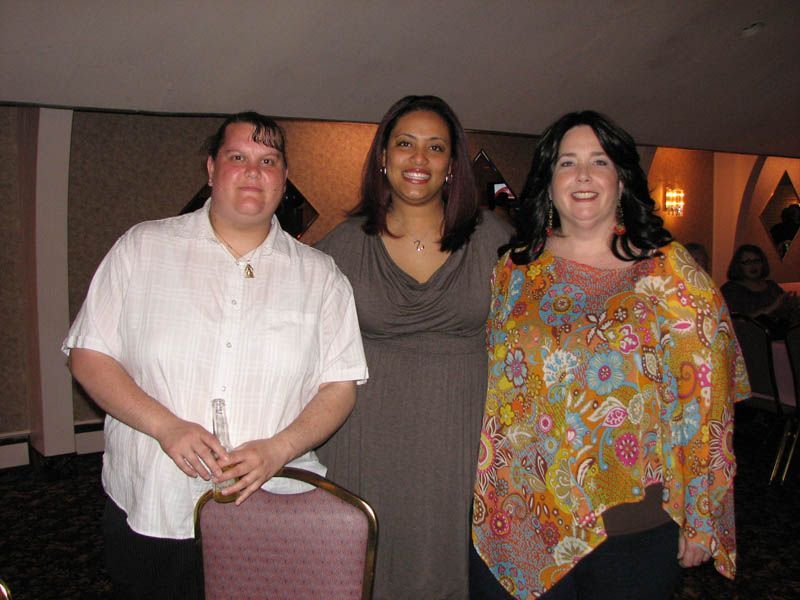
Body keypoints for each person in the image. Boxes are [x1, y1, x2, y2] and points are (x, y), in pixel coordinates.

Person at [63, 112, 368, 599]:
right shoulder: (143, 248)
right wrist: (165, 426)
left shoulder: (320, 277)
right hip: (155, 501)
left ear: (284, 178)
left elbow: (340, 386)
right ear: (210, 168)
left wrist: (279, 449)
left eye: (268, 160)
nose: (254, 171)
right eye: (238, 157)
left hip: (272, 503)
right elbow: (89, 355)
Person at [470, 111, 749, 599]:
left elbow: (706, 402)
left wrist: (702, 515)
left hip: (632, 525)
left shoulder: (668, 272)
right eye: (567, 162)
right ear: (548, 181)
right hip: (518, 514)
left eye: (598, 161)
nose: (582, 175)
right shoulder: (513, 271)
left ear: (621, 179)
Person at [315, 95, 512, 599]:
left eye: (435, 147)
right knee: (371, 568)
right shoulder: (341, 245)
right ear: (383, 156)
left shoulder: (495, 240)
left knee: (455, 566)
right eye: (405, 144)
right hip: (367, 437)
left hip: (464, 435)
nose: (418, 159)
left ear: (452, 165)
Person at [720, 243, 798, 329]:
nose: (753, 266)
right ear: (738, 266)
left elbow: (785, 316)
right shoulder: (731, 290)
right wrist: (770, 308)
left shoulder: (772, 286)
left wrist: (792, 305)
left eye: (756, 261)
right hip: (750, 337)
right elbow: (735, 321)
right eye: (747, 262)